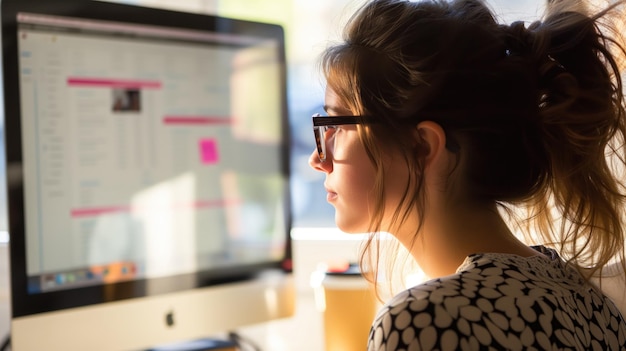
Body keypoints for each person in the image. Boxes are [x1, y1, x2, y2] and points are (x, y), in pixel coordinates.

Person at [308, 0, 626, 349]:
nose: (317, 159)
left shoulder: (423, 322)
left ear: (423, 147)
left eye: (336, 126)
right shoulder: (585, 298)